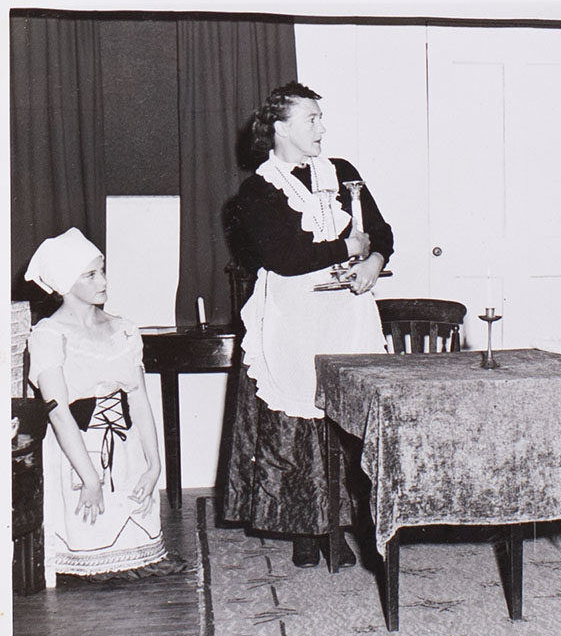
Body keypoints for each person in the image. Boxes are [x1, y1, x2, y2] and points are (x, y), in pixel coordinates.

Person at [222, 81, 392, 569]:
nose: (322, 127)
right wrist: (349, 249)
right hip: (295, 317)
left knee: (351, 416)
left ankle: (357, 521)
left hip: (347, 312)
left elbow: (380, 231)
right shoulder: (257, 190)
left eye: (321, 118)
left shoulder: (343, 174)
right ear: (279, 128)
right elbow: (287, 256)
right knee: (298, 418)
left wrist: (374, 261)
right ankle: (304, 524)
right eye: (311, 119)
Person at [25, 228, 185, 581]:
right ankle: (92, 556)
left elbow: (140, 400)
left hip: (124, 448)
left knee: (138, 533)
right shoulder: (49, 336)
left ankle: (136, 553)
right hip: (79, 450)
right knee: (94, 536)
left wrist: (153, 464)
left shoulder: (124, 329)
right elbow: (60, 414)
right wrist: (90, 478)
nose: (103, 280)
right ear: (66, 283)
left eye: (103, 270)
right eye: (91, 274)